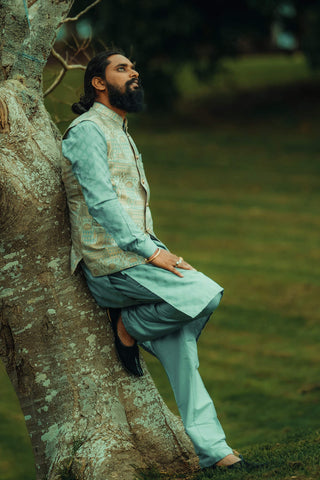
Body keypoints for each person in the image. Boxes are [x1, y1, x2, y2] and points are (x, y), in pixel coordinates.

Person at [61, 49, 243, 470]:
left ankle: (215, 453)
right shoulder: (87, 131)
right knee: (205, 293)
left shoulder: (119, 129)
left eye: (133, 67)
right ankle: (129, 325)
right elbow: (103, 202)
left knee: (184, 356)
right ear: (98, 82)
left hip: (134, 260)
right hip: (111, 264)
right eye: (122, 68)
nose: (134, 72)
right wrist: (152, 251)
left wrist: (150, 248)